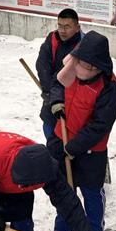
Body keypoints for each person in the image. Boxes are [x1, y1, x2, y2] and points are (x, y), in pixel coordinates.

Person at [46, 31, 116, 231]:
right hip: (62, 139)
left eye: (92, 67)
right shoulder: (71, 67)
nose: (86, 70)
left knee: (91, 195)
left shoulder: (110, 88)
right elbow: (56, 84)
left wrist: (74, 147)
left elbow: (100, 125)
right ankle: (63, 228)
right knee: (65, 190)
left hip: (91, 151)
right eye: (83, 64)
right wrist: (57, 102)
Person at [36, 8, 83, 139]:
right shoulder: (52, 38)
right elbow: (42, 64)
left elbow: (68, 73)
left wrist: (57, 95)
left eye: (67, 26)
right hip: (51, 94)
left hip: (73, 98)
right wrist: (49, 92)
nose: (62, 30)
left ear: (77, 27)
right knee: (49, 127)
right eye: (60, 26)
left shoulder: (83, 45)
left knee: (71, 137)